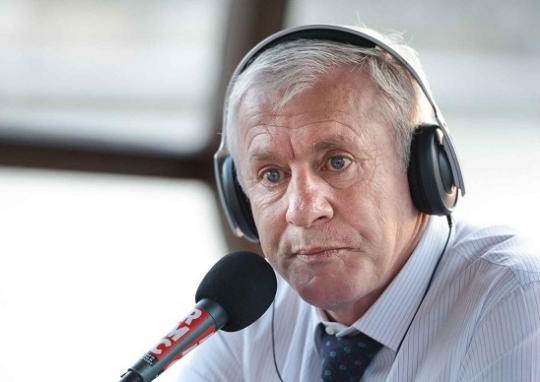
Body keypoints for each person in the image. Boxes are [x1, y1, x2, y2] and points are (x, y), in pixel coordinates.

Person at [178, 25, 540, 381]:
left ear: (422, 172)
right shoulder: (248, 319)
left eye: (337, 162)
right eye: (272, 175)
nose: (302, 210)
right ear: (239, 197)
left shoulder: (516, 298)